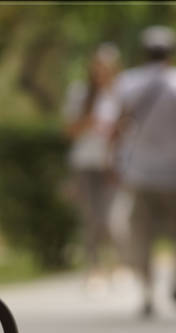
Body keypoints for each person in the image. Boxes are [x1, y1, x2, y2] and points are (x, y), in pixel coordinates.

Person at [111, 26, 176, 318]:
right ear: (174, 53)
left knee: (141, 234)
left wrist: (113, 162)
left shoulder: (128, 83)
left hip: (141, 172)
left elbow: (117, 127)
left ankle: (147, 292)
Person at [62, 43, 121, 287]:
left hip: (112, 164)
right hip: (85, 163)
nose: (101, 72)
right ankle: (94, 266)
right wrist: (89, 120)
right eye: (97, 66)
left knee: (110, 217)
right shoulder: (79, 93)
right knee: (90, 217)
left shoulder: (121, 94)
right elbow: (69, 131)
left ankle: (115, 263)